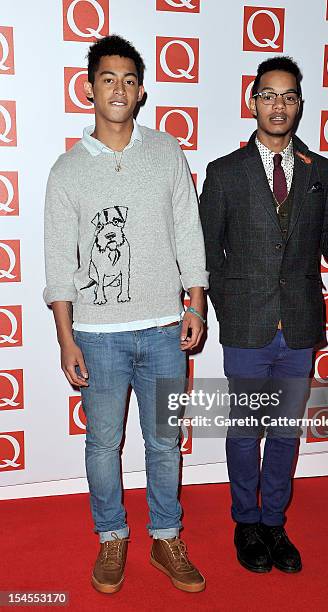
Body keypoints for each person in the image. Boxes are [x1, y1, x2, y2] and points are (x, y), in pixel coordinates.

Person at [44, 34, 208, 594]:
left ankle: (166, 537)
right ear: (89, 88)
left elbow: (189, 231)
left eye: (129, 80)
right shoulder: (66, 170)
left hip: (165, 329)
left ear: (141, 92)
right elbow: (59, 264)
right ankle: (112, 537)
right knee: (102, 443)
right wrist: (66, 339)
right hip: (97, 335)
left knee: (164, 442)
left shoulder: (166, 152)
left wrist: (196, 302)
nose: (119, 88)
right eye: (108, 78)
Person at [199, 56, 328, 574]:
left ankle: (275, 523)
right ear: (253, 102)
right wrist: (226, 307)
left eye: (288, 96)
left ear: (299, 105)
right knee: (247, 430)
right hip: (247, 328)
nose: (279, 105)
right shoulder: (224, 173)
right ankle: (245, 522)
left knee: (286, 430)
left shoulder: (320, 172)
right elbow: (207, 253)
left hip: (297, 326)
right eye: (268, 95)